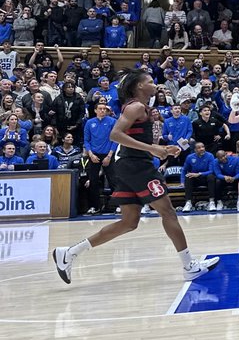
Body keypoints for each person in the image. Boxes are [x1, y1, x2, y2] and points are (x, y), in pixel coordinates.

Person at [52, 69, 219, 284]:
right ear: (140, 86)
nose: (155, 84)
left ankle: (69, 253)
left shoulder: (141, 108)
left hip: (129, 165)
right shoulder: (135, 107)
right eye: (150, 81)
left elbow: (136, 138)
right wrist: (152, 149)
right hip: (136, 166)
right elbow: (115, 134)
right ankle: (189, 267)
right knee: (168, 212)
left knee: (129, 222)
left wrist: (162, 149)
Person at [182, 141, 219, 211]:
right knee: (188, 177)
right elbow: (184, 170)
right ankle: (188, 202)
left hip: (206, 179)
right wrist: (182, 182)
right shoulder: (190, 157)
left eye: (203, 147)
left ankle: (212, 202)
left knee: (211, 176)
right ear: (195, 150)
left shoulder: (210, 156)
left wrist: (199, 174)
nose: (202, 149)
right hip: (195, 180)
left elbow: (211, 170)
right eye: (199, 148)